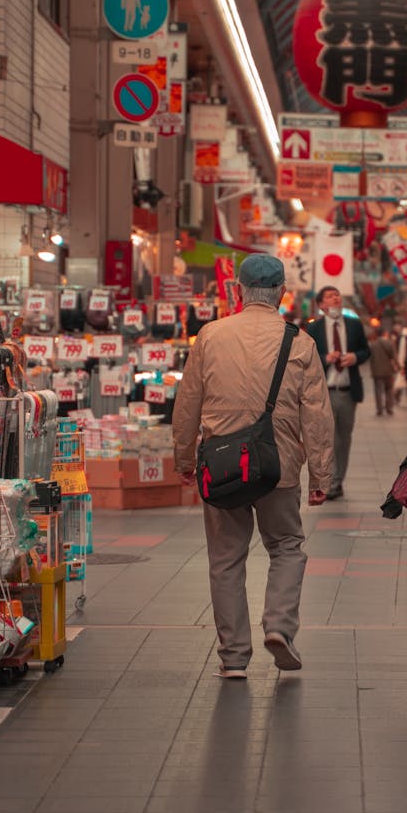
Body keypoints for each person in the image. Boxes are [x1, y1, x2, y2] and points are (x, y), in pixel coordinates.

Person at [172, 254, 334, 679]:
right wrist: (321, 475)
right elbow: (316, 414)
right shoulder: (298, 342)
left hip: (222, 466)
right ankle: (279, 626)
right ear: (282, 292)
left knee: (226, 559)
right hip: (277, 465)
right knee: (286, 546)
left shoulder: (209, 336)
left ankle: (233, 657)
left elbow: (187, 402)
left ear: (239, 291)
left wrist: (184, 459)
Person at [305, 285, 370, 500]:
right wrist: (325, 358)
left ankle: (338, 481)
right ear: (322, 305)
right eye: (331, 297)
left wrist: (355, 357)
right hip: (324, 392)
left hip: (347, 391)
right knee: (327, 439)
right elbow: (308, 358)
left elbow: (365, 351)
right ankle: (329, 481)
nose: (336, 299)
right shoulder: (314, 329)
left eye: (338, 295)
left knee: (344, 438)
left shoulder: (353, 325)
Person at [368, 327, 397, 416]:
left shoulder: (373, 345)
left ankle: (379, 409)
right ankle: (389, 408)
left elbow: (371, 359)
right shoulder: (390, 343)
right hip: (388, 371)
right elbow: (394, 357)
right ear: (385, 333)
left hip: (377, 371)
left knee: (378, 391)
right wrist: (397, 367)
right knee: (389, 390)